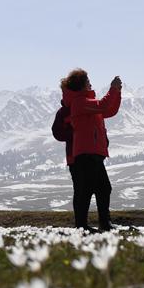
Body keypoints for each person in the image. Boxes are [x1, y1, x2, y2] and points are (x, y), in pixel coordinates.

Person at [59, 68, 122, 232]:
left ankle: (102, 223)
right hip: (86, 153)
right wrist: (113, 89)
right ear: (81, 85)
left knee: (101, 188)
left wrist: (117, 92)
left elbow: (109, 110)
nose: (90, 83)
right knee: (88, 190)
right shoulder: (80, 103)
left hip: (93, 153)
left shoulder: (87, 102)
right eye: (88, 81)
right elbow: (104, 105)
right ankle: (84, 225)